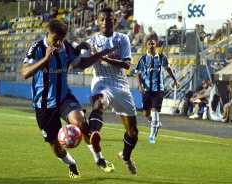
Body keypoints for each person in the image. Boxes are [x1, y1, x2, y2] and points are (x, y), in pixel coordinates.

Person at [21, 19, 118, 178]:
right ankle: (71, 163)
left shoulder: (66, 47)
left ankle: (100, 160)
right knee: (56, 146)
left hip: (64, 98)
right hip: (44, 104)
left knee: (80, 123)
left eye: (61, 39)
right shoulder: (37, 49)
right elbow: (25, 72)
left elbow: (82, 63)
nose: (58, 43)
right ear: (47, 34)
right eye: (55, 39)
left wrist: (102, 53)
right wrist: (45, 60)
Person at [80, 7, 139, 175]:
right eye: (102, 19)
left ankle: (125, 157)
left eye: (109, 19)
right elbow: (81, 62)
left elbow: (127, 64)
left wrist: (103, 57)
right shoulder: (91, 42)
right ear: (98, 22)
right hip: (102, 82)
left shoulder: (122, 39)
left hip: (121, 86)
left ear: (114, 21)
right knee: (99, 102)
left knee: (133, 132)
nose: (106, 22)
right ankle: (95, 133)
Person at [135, 37, 180, 143]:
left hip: (158, 89)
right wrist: (140, 86)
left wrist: (175, 80)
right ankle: (155, 123)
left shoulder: (161, 58)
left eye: (153, 44)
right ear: (146, 46)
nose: (151, 45)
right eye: (149, 44)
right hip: (146, 90)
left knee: (155, 111)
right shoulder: (143, 60)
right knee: (146, 114)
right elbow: (137, 73)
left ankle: (152, 136)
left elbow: (168, 68)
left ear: (156, 45)